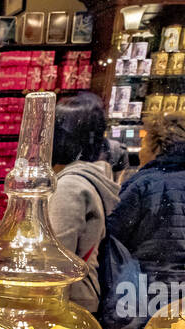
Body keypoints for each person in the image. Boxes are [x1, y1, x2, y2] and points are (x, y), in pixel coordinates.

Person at [106, 111, 185, 298]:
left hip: (137, 286)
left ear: (156, 146)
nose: (141, 150)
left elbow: (113, 235)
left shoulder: (142, 184)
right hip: (179, 288)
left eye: (144, 143)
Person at [47, 93, 120, 314]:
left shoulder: (69, 186)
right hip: (83, 294)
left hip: (68, 301)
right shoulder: (93, 177)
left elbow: (55, 262)